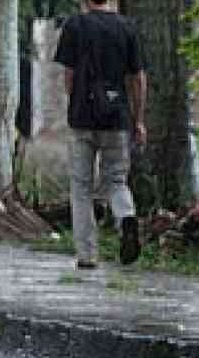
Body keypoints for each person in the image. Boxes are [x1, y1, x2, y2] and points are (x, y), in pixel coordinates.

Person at [54, 0, 147, 268]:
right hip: (117, 118)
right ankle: (126, 216)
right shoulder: (127, 27)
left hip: (83, 118)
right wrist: (138, 120)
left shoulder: (75, 25)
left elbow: (68, 74)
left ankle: (87, 255)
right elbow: (138, 79)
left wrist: (76, 103)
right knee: (116, 180)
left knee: (81, 187)